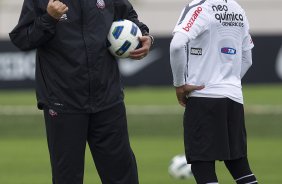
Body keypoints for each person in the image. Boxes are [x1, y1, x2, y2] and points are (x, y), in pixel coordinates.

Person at [10, 0, 153, 183]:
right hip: (63, 102)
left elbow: (130, 18)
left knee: (123, 177)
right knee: (67, 179)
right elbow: (22, 39)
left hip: (108, 99)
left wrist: (146, 36)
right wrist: (49, 19)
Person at [170, 0, 258, 183]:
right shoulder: (237, 9)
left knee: (202, 165)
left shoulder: (200, 7)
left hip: (204, 96)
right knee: (238, 164)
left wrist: (179, 84)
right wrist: (229, 82)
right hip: (233, 98)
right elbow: (247, 58)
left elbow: (177, 45)